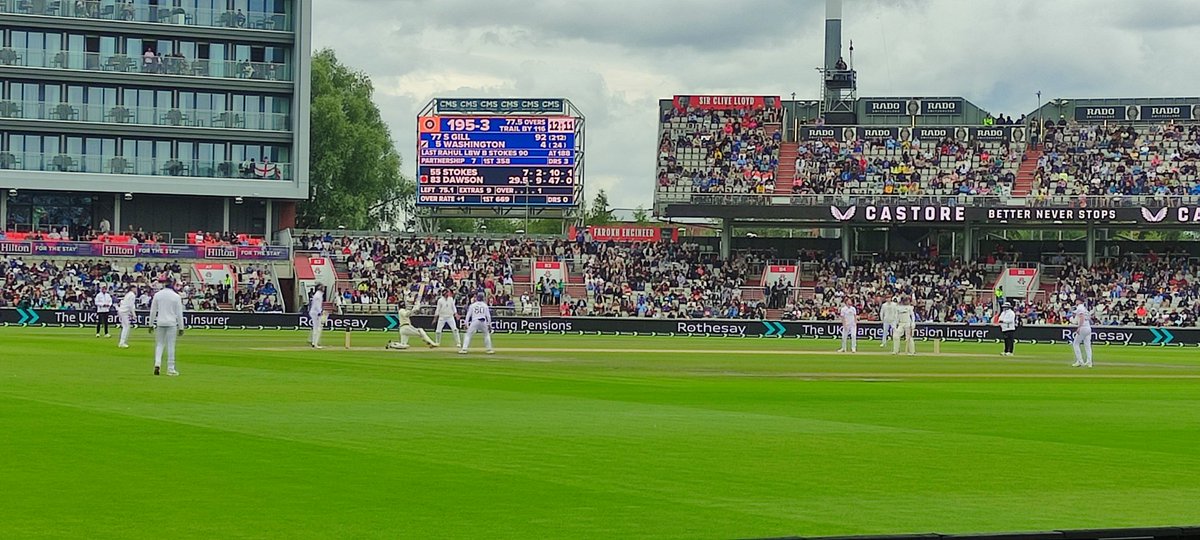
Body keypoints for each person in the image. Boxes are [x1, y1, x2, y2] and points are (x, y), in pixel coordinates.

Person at [149, 279, 185, 376]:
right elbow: (179, 313)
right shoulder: (176, 296)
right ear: (173, 284)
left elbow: (153, 311)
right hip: (171, 323)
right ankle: (170, 368)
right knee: (171, 345)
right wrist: (181, 327)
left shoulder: (158, 295)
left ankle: (157, 363)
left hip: (160, 322)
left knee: (159, 344)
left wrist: (150, 324)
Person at [1071, 299, 1093, 368]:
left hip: (1083, 327)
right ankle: (1089, 362)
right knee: (1087, 345)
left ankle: (1080, 361)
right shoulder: (1084, 308)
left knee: (1075, 344)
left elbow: (1082, 317)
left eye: (1077, 300)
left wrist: (1079, 327)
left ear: (1080, 301)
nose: (1075, 301)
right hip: (1088, 327)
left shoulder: (1080, 307)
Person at [308, 285, 325, 349]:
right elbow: (317, 305)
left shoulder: (317, 294)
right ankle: (315, 343)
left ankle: (313, 342)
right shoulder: (318, 295)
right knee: (318, 328)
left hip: (314, 312)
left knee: (316, 328)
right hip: (316, 313)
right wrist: (320, 312)